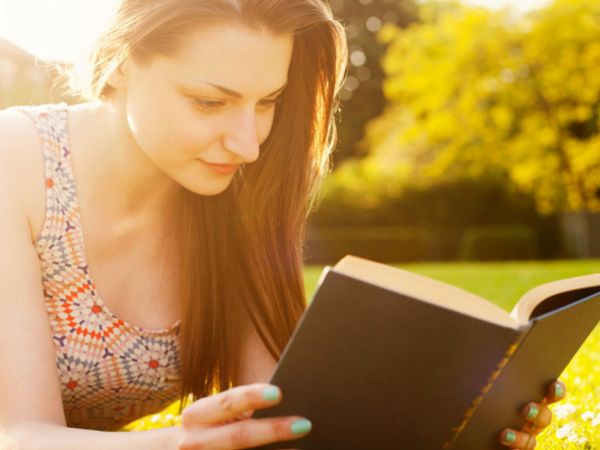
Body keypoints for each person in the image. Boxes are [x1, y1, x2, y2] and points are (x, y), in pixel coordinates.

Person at [0, 0, 565, 449]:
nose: (248, 143)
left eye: (267, 102)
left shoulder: (232, 198)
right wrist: (181, 445)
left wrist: (464, 419)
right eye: (209, 102)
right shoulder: (14, 163)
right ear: (121, 61)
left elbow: (277, 416)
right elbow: (20, 436)